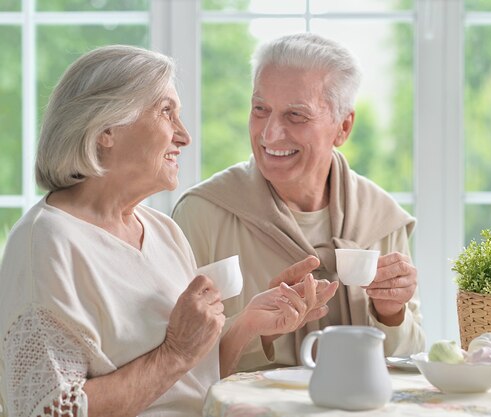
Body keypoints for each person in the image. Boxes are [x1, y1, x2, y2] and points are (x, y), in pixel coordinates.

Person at [0, 44, 336, 417]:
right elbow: (48, 411)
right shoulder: (46, 243)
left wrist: (249, 323)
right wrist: (175, 352)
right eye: (166, 112)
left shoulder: (164, 232)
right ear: (106, 129)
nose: (184, 136)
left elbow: (190, 386)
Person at [172, 32, 426, 373]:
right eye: (260, 109)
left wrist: (391, 313)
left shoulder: (381, 218)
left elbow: (411, 362)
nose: (270, 135)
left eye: (296, 116)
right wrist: (254, 326)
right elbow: (175, 369)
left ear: (343, 127)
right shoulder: (202, 214)